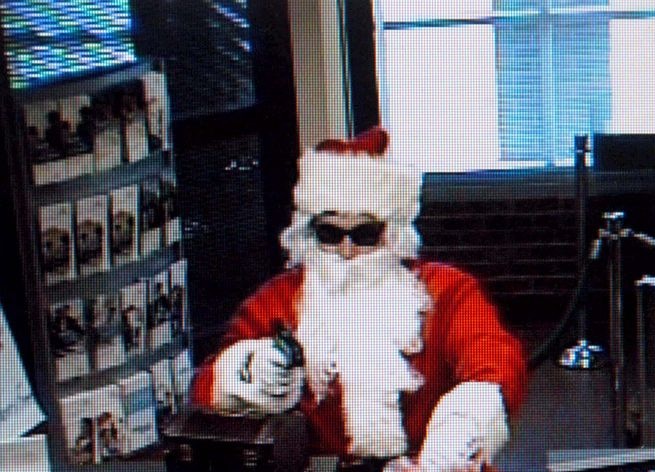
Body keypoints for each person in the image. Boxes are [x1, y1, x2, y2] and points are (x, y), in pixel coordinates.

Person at [189, 127, 527, 471]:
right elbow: (204, 388)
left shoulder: (447, 291)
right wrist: (252, 372)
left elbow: (496, 358)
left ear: (391, 233)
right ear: (309, 233)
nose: (347, 252)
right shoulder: (279, 301)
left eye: (365, 234)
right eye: (330, 234)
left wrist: (462, 429)